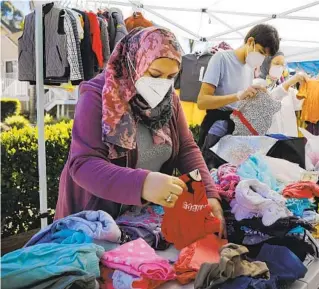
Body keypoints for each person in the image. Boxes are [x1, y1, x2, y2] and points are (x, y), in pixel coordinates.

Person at [55, 27, 226, 236]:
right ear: (134, 62)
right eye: (155, 74)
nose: (162, 84)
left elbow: (186, 148)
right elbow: (83, 164)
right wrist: (142, 184)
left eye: (171, 77)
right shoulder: (98, 96)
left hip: (139, 220)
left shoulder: (169, 99)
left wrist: (208, 193)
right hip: (94, 221)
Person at [197, 24, 280, 152]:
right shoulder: (221, 58)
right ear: (250, 41)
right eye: (261, 52)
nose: (261, 58)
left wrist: (254, 93)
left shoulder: (249, 68)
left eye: (265, 56)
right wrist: (237, 96)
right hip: (215, 131)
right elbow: (202, 102)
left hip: (235, 132)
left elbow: (240, 100)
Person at [255, 52, 308, 137]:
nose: (280, 68)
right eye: (276, 64)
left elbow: (304, 103)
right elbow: (269, 101)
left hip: (290, 142)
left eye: (282, 65)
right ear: (266, 64)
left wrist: (312, 84)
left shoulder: (290, 92)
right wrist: (290, 82)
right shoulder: (255, 86)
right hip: (270, 144)